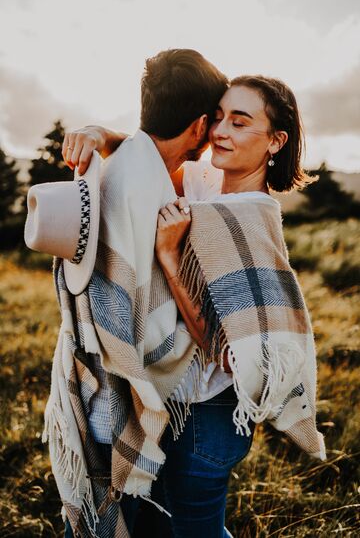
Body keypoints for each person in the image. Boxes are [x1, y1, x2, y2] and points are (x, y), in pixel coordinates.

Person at [62, 74, 325, 538]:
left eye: (239, 122)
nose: (219, 132)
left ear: (275, 141)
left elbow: (229, 351)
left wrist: (169, 254)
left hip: (209, 417)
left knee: (194, 532)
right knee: (163, 527)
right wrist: (100, 135)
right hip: (177, 406)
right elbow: (154, 154)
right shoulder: (206, 180)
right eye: (218, 118)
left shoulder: (248, 215)